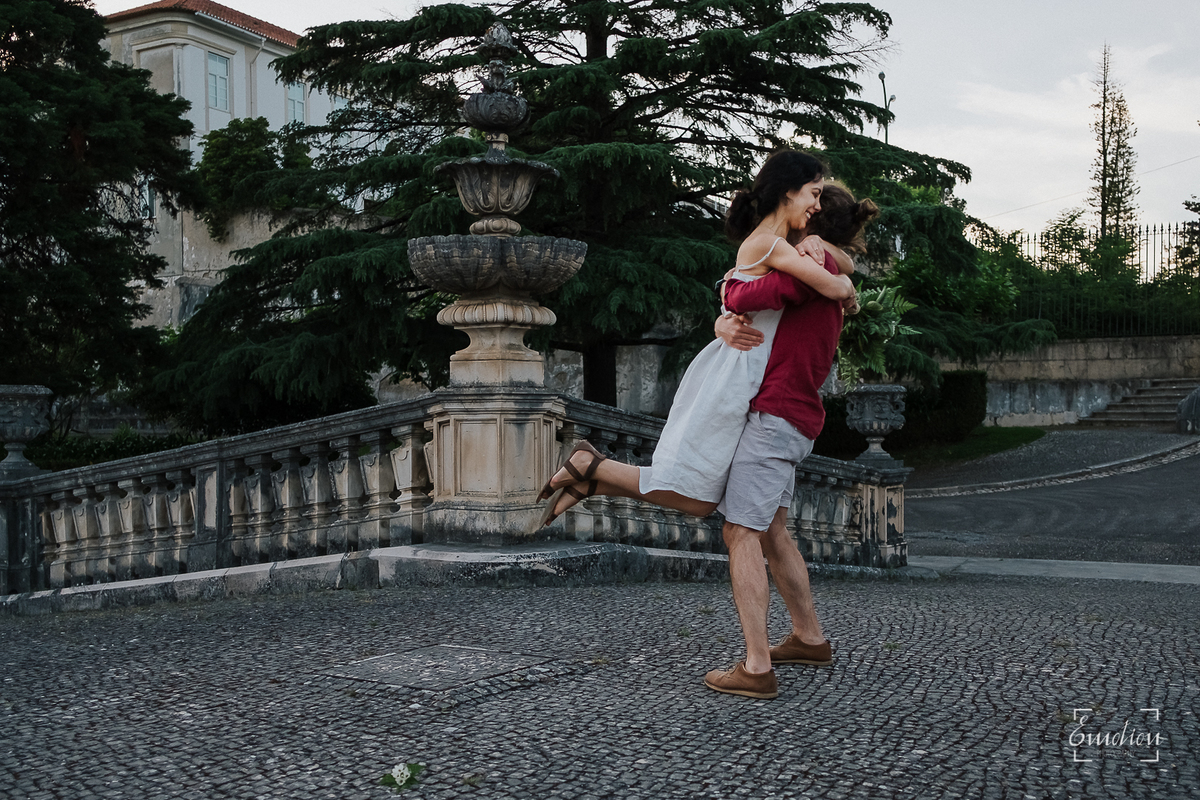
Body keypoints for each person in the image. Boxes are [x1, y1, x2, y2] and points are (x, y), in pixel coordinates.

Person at [533, 151, 857, 526]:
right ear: (788, 192)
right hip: (736, 376)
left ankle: (594, 479)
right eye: (813, 194)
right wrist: (847, 289)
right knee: (698, 493)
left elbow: (753, 284)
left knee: (703, 496)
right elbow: (828, 283)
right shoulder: (772, 244)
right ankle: (591, 466)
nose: (816, 206)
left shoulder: (783, 245)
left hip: (745, 373)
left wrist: (818, 249)